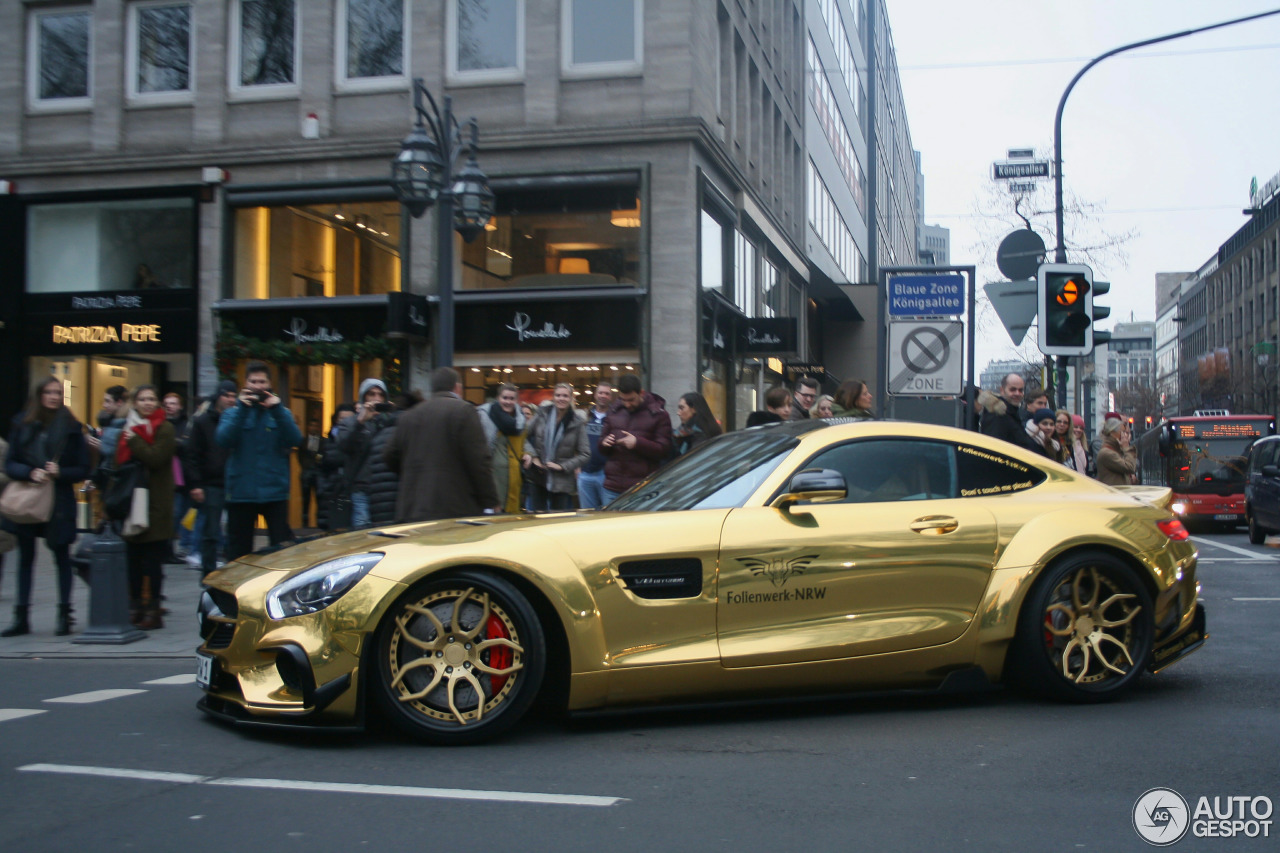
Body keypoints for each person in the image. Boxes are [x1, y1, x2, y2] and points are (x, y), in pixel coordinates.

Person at [1, 377, 88, 637]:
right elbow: (10, 463)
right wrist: (30, 472)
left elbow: (83, 468)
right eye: (48, 392)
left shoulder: (72, 427)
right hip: (29, 497)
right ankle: (21, 617)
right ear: (38, 395)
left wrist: (61, 471)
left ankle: (64, 614)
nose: (53, 396)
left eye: (58, 392)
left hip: (58, 500)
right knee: (25, 558)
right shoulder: (22, 423)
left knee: (61, 556)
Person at [384, 367, 500, 522]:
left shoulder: (409, 416)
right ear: (457, 387)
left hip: (413, 507)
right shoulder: (464, 411)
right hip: (455, 506)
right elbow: (479, 461)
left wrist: (413, 475)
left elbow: (389, 455)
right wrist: (491, 500)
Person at [215, 362, 302, 563]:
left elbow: (295, 440)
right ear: (246, 383)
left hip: (275, 491)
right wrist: (242, 410)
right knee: (239, 551)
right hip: (241, 492)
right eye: (253, 381)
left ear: (269, 384)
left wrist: (277, 409)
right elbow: (223, 440)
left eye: (261, 381)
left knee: (280, 550)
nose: (257, 386)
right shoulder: (232, 412)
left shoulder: (282, 413)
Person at [118, 385, 176, 629]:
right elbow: (118, 461)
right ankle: (135, 606)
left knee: (152, 562)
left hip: (157, 504)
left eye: (152, 399)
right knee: (133, 560)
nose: (147, 403)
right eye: (142, 399)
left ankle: (153, 610)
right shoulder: (127, 427)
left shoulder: (165, 427)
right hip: (132, 501)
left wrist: (135, 441)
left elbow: (156, 458)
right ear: (135, 402)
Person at [185, 381, 237, 574]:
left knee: (234, 533)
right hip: (211, 483)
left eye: (233, 396)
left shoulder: (237, 420)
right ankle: (207, 573)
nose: (231, 399)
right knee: (211, 532)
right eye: (227, 395)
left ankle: (233, 574)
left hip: (234, 483)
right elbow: (192, 455)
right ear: (218, 396)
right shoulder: (202, 422)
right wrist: (196, 484)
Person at [599, 373, 673, 503]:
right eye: (623, 400)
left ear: (641, 393)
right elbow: (602, 445)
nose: (627, 404)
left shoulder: (658, 415)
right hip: (612, 487)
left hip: (642, 488)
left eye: (631, 400)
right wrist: (604, 443)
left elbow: (664, 450)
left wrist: (637, 443)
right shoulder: (613, 411)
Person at [338, 378, 400, 529]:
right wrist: (360, 422)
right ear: (363, 397)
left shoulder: (390, 422)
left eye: (380, 395)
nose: (376, 399)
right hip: (361, 489)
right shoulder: (350, 422)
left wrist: (393, 415)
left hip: (387, 490)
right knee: (362, 535)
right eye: (371, 394)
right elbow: (343, 446)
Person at [522, 383, 590, 511]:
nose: (561, 398)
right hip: (538, 474)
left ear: (570, 398)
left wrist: (562, 466)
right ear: (553, 397)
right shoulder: (542, 414)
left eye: (565, 396)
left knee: (557, 519)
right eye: (558, 395)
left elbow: (585, 454)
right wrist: (533, 456)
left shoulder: (577, 422)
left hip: (561, 479)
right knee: (537, 518)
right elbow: (523, 435)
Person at [478, 384, 528, 513]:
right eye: (505, 398)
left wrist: (529, 453)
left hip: (513, 476)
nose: (508, 401)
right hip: (492, 475)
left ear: (516, 400)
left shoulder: (520, 419)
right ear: (498, 398)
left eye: (511, 398)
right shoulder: (485, 416)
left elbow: (525, 440)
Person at [979, 373, 1042, 454]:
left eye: (1021, 390)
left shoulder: (1012, 413)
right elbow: (994, 451)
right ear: (1002, 390)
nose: (1017, 393)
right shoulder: (997, 415)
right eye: (1013, 389)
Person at [316, 405, 356, 531]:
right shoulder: (326, 442)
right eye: (341, 419)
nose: (344, 422)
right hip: (330, 494)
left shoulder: (360, 439)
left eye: (349, 419)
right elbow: (319, 468)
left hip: (351, 493)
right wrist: (322, 488)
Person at [577, 382, 614, 509]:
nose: (603, 396)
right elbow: (576, 442)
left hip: (606, 473)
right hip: (585, 472)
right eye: (601, 393)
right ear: (595, 395)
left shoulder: (614, 418)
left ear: (611, 397)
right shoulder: (585, 417)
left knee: (607, 513)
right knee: (587, 515)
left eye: (607, 393)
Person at [297, 417, 324, 529]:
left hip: (318, 473)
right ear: (308, 427)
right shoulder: (303, 441)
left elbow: (323, 454)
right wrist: (305, 466)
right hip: (306, 473)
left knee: (319, 498)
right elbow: (300, 456)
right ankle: (304, 522)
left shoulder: (322, 441)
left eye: (315, 426)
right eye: (311, 425)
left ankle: (319, 522)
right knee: (305, 499)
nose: (313, 428)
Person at [1095, 416, 1138, 486]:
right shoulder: (1106, 453)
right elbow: (1129, 467)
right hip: (1113, 494)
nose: (1126, 435)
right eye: (1123, 432)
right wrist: (1127, 447)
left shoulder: (1116, 450)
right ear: (1112, 433)